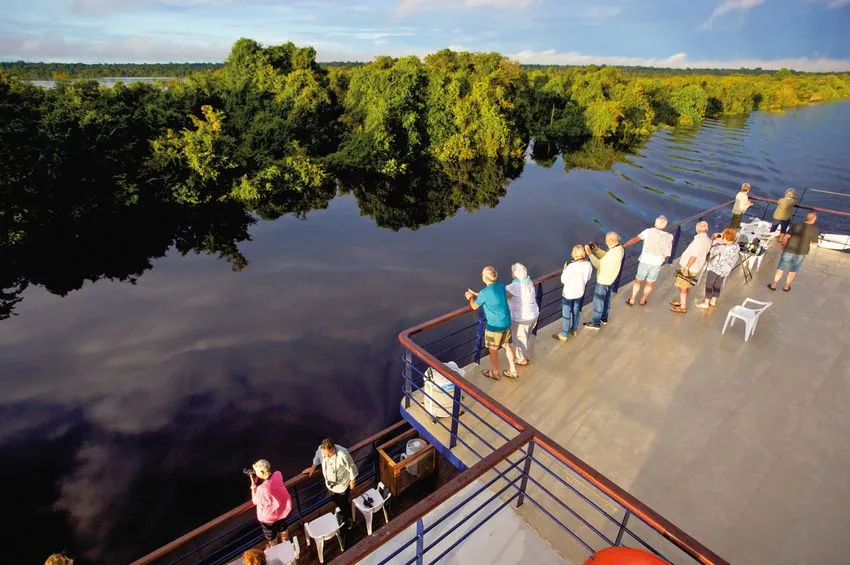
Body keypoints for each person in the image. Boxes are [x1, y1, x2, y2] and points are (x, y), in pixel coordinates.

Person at [465, 266, 519, 379]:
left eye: (482, 275)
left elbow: (474, 306)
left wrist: (470, 297)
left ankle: (495, 373)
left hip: (494, 326)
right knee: (506, 345)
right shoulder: (501, 286)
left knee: (493, 350)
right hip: (506, 322)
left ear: (485, 278)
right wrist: (477, 294)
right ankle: (513, 370)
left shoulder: (485, 292)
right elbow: (508, 295)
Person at [305, 439, 358, 530]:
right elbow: (318, 456)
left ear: (334, 448)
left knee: (344, 503)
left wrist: (353, 480)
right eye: (325, 454)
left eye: (330, 454)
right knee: (336, 501)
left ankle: (348, 520)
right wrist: (313, 467)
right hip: (330, 485)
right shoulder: (321, 450)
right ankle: (343, 513)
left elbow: (351, 466)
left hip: (342, 485)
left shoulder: (342, 454)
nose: (327, 456)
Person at [627, 215, 673, 307]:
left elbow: (636, 239)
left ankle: (632, 299)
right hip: (657, 263)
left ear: (655, 223)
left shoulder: (648, 231)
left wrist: (624, 246)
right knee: (650, 283)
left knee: (638, 281)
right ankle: (643, 300)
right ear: (665, 226)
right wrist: (662, 258)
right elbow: (668, 253)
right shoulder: (669, 236)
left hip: (645, 260)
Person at [768, 212, 819, 292]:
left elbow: (786, 236)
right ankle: (786, 286)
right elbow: (814, 243)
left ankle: (774, 285)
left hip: (789, 249)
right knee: (793, 269)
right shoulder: (814, 230)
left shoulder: (795, 225)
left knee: (781, 267)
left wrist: (783, 245)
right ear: (814, 220)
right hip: (801, 251)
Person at [583, 232, 624, 330]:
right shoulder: (619, 249)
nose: (605, 242)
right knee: (606, 298)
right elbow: (606, 257)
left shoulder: (612, 254)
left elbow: (598, 264)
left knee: (598, 301)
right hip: (611, 279)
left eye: (606, 240)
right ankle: (604, 317)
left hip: (603, 280)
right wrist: (596, 250)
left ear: (611, 241)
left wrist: (589, 254)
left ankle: (596, 322)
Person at [249, 459, 293, 548]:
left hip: (268, 518)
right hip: (282, 512)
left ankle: (275, 547)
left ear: (261, 472)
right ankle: (286, 543)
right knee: (283, 528)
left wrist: (253, 484)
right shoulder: (278, 474)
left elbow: (255, 501)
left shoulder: (261, 489)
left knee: (271, 535)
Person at [670, 221, 711, 314]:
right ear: (707, 229)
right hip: (696, 267)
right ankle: (681, 301)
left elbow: (694, 256)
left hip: (689, 267)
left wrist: (687, 268)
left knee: (683, 287)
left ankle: (683, 306)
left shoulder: (698, 241)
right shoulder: (708, 240)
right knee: (685, 285)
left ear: (697, 229)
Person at [553, 244, 593, 341]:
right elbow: (588, 278)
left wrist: (564, 269)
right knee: (576, 311)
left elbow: (563, 280)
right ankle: (574, 329)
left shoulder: (571, 267)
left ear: (574, 255)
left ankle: (564, 334)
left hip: (568, 294)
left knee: (566, 313)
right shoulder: (588, 265)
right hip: (580, 292)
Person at [694, 228, 740, 309]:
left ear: (725, 238)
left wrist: (713, 238)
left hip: (715, 268)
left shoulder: (722, 247)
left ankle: (706, 302)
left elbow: (711, 251)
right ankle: (713, 300)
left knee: (709, 284)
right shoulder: (736, 246)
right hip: (725, 270)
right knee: (718, 284)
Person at [505, 263, 538, 366]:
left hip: (522, 318)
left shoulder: (513, 286)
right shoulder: (528, 282)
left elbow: (502, 296)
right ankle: (524, 355)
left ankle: (521, 359)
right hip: (533, 315)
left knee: (519, 339)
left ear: (514, 274)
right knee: (526, 337)